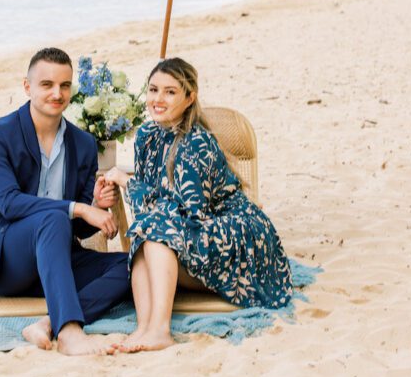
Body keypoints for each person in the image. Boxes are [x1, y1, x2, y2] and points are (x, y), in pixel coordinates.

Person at [104, 57, 293, 352]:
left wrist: (128, 183)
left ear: (189, 98)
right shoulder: (146, 137)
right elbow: (150, 209)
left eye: (170, 92)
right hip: (183, 229)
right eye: (153, 90)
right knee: (145, 232)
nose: (158, 99)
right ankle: (145, 327)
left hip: (229, 227)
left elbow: (190, 213)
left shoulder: (197, 142)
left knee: (156, 229)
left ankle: (160, 330)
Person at [0, 47, 130, 355]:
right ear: (27, 87)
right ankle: (70, 331)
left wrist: (97, 203)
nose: (57, 93)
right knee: (53, 217)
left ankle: (49, 322)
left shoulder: (84, 144)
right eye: (46, 85)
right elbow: (9, 203)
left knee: (133, 262)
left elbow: (80, 231)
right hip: (8, 262)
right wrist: (78, 207)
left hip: (58, 261)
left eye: (64, 85)